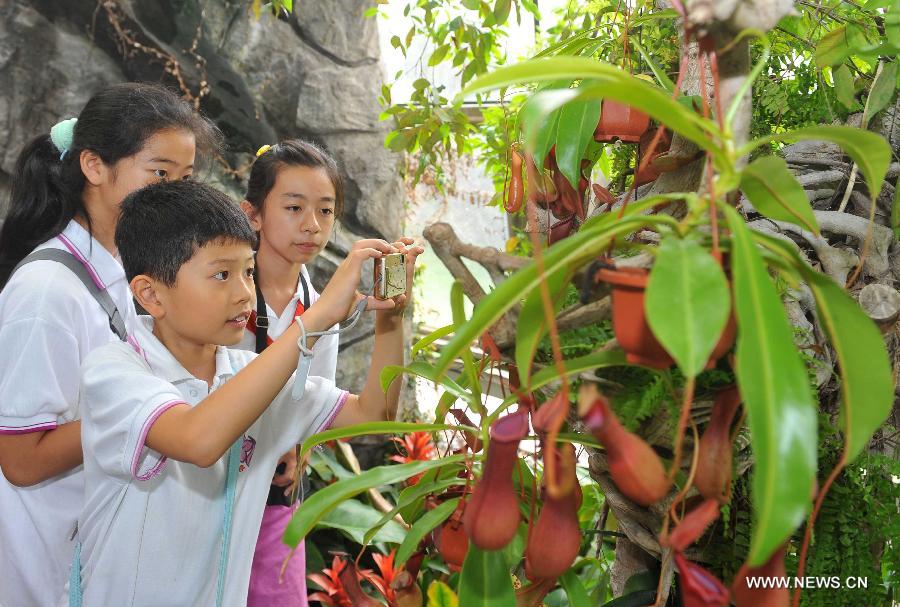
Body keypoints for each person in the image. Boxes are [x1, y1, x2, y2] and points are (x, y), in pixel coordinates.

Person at [73, 180, 421, 606]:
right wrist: (313, 322)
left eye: (248, 271)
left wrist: (390, 321)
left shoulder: (252, 375)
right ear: (150, 294)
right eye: (222, 274)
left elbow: (375, 413)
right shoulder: (114, 371)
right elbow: (198, 440)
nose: (243, 293)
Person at [0, 82, 219, 607]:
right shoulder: (45, 291)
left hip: (98, 542)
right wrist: (141, 412)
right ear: (94, 166)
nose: (175, 193)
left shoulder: (126, 267)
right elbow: (20, 460)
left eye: (185, 178)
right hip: (44, 558)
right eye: (159, 174)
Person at [238, 140, 352, 606]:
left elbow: (316, 405)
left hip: (275, 500)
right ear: (253, 214)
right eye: (294, 207)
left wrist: (297, 452)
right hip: (210, 489)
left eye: (325, 211)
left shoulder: (324, 308)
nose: (312, 225)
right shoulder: (218, 294)